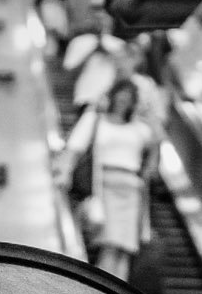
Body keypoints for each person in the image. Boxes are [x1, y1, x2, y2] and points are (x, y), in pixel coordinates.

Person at [58, 76, 156, 281]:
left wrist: (148, 113)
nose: (123, 103)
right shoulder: (95, 120)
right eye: (120, 98)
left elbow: (155, 145)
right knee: (110, 244)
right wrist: (64, 172)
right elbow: (75, 147)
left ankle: (118, 290)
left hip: (132, 189)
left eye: (128, 100)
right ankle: (105, 290)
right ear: (111, 97)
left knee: (124, 248)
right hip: (104, 186)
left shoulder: (139, 127)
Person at [63, 1, 123, 112]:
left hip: (111, 104)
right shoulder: (78, 42)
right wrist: (91, 53)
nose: (100, 22)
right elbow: (68, 75)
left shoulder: (120, 46)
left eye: (103, 18)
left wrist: (113, 57)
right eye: (96, 18)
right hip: (85, 99)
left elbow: (126, 76)